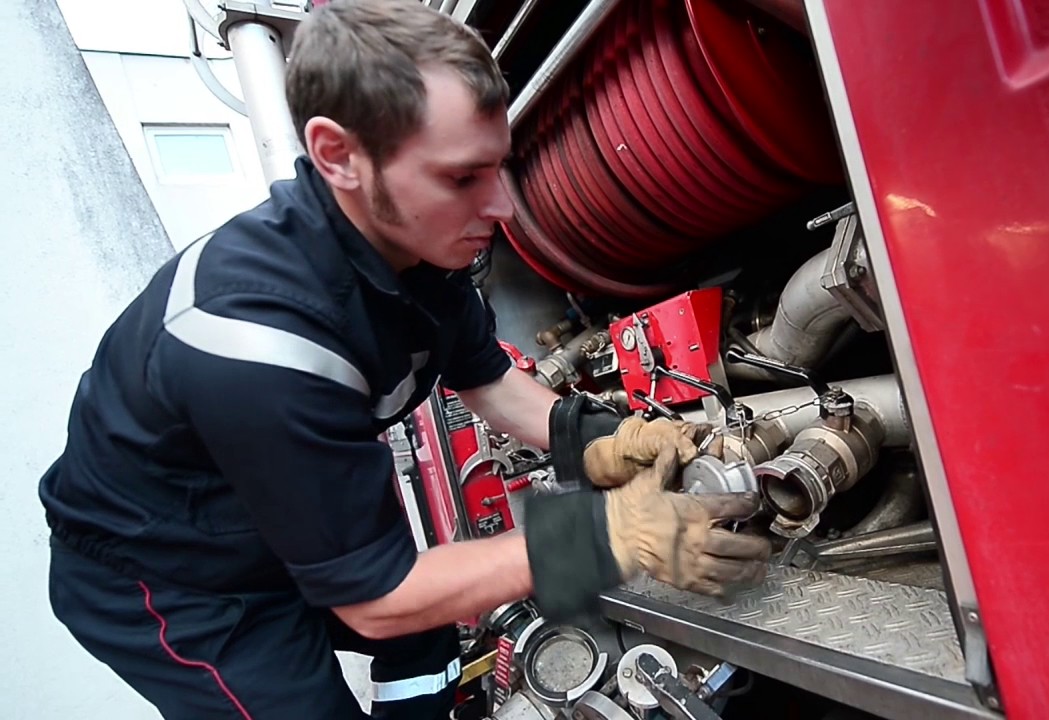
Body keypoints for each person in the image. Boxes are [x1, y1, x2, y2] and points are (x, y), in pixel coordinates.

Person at [38, 1, 771, 718]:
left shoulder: (419, 251)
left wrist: (600, 439)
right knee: (381, 632)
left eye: (497, 167)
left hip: (277, 520)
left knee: (432, 641)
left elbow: (486, 379)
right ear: (337, 155)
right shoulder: (258, 340)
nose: (501, 207)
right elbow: (379, 598)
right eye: (461, 178)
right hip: (177, 581)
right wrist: (611, 536)